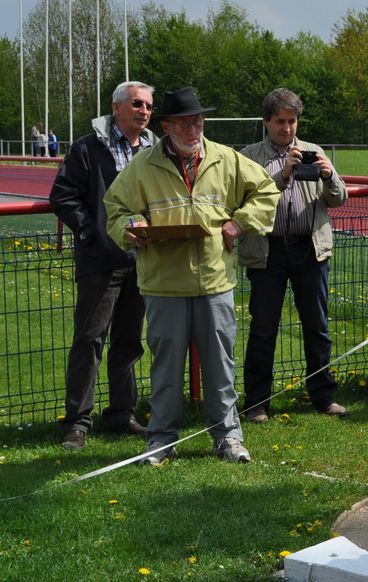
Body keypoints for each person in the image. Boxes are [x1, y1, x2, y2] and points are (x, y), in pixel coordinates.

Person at [104, 86, 279, 465]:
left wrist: (240, 222)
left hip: (214, 280)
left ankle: (228, 438)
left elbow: (267, 189)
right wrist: (131, 226)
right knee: (165, 369)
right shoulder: (143, 166)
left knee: (221, 366)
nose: (192, 128)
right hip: (164, 284)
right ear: (166, 126)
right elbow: (116, 209)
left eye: (198, 121)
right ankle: (161, 441)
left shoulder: (226, 159)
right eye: (183, 122)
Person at [49, 81, 157, 451]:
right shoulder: (87, 147)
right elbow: (62, 195)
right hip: (101, 261)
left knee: (129, 342)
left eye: (147, 106)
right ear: (117, 107)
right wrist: (91, 231)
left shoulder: (154, 150)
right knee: (89, 339)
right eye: (137, 104)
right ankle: (77, 422)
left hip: (141, 260)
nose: (143, 111)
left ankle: (122, 414)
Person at [238, 88, 349, 422]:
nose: (287, 129)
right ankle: (257, 402)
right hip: (267, 250)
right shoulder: (250, 156)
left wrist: (329, 177)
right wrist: (283, 173)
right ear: (266, 122)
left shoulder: (314, 151)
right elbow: (245, 201)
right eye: (279, 122)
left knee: (317, 327)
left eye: (292, 121)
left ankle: (323, 396)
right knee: (263, 329)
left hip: (310, 248)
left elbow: (339, 198)